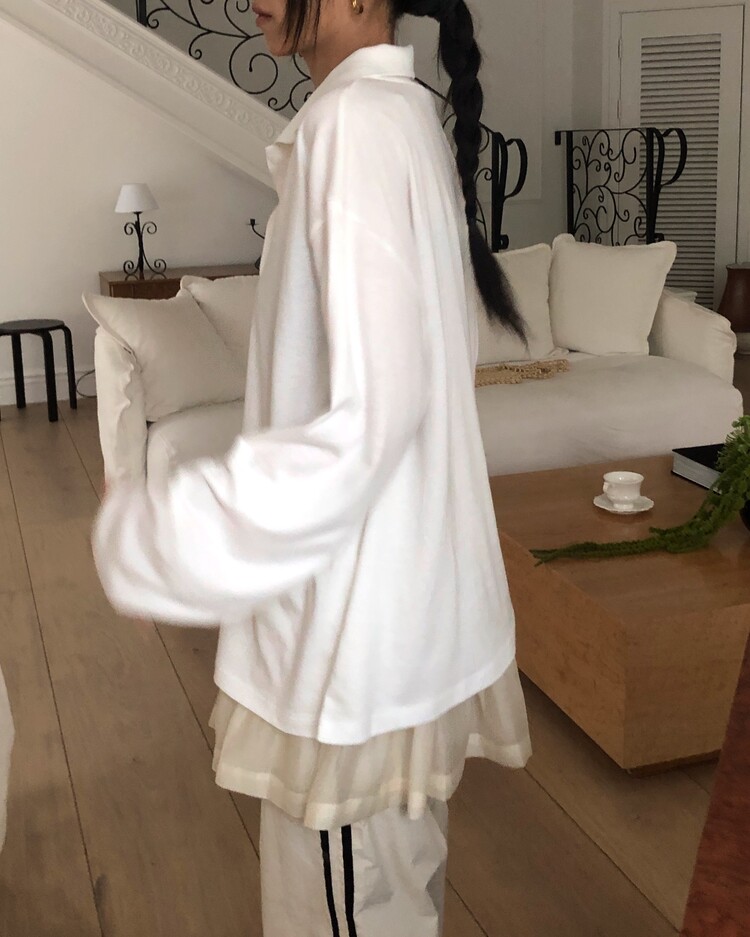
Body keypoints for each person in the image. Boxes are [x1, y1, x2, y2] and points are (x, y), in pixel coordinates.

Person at [92, 0, 532, 933]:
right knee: (390, 901)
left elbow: (371, 418)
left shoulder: (355, 129)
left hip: (350, 651)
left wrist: (169, 535)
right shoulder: (392, 117)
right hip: (378, 627)